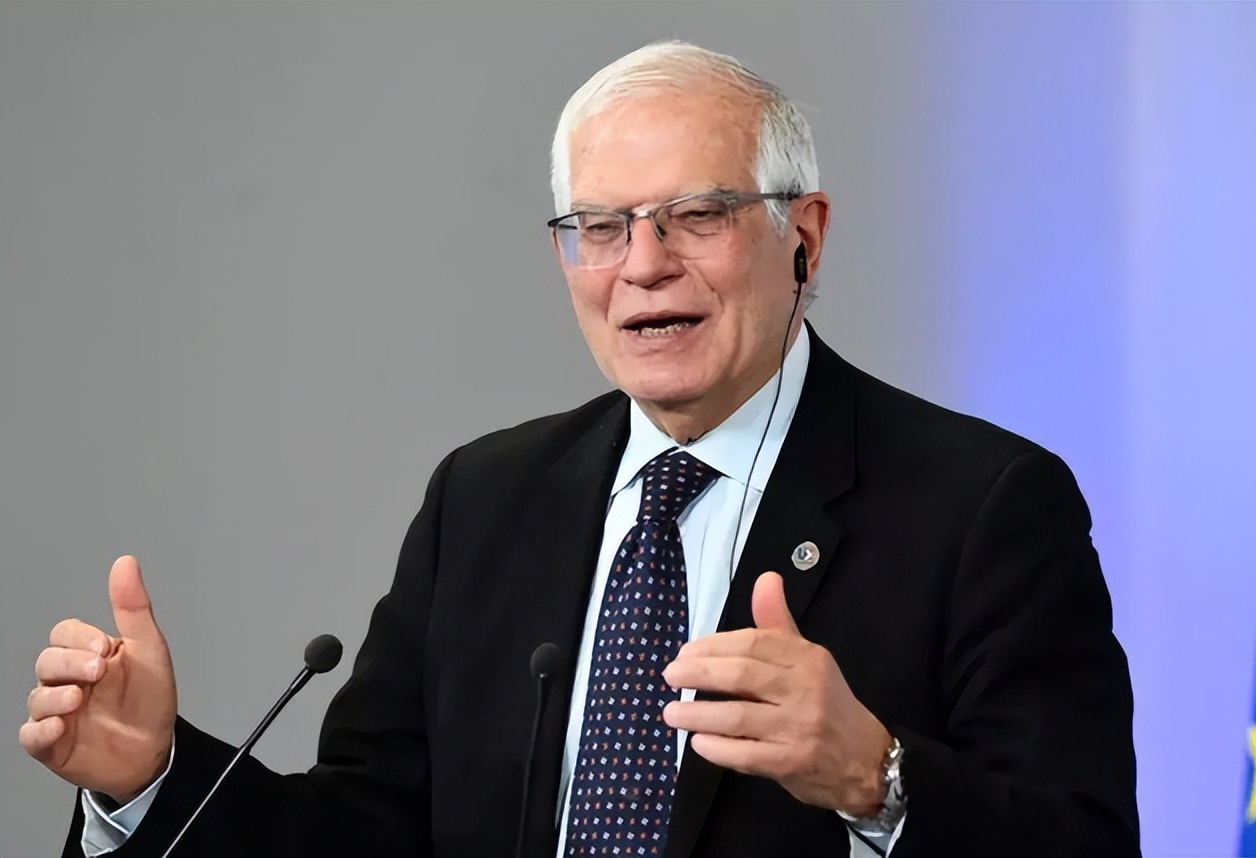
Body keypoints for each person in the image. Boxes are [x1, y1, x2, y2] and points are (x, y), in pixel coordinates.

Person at [20, 41, 1139, 857]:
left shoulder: (986, 504)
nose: (642, 265)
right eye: (599, 227)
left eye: (698, 215)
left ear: (802, 236)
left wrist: (876, 779)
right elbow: (365, 833)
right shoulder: (485, 499)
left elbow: (1083, 841)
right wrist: (156, 782)